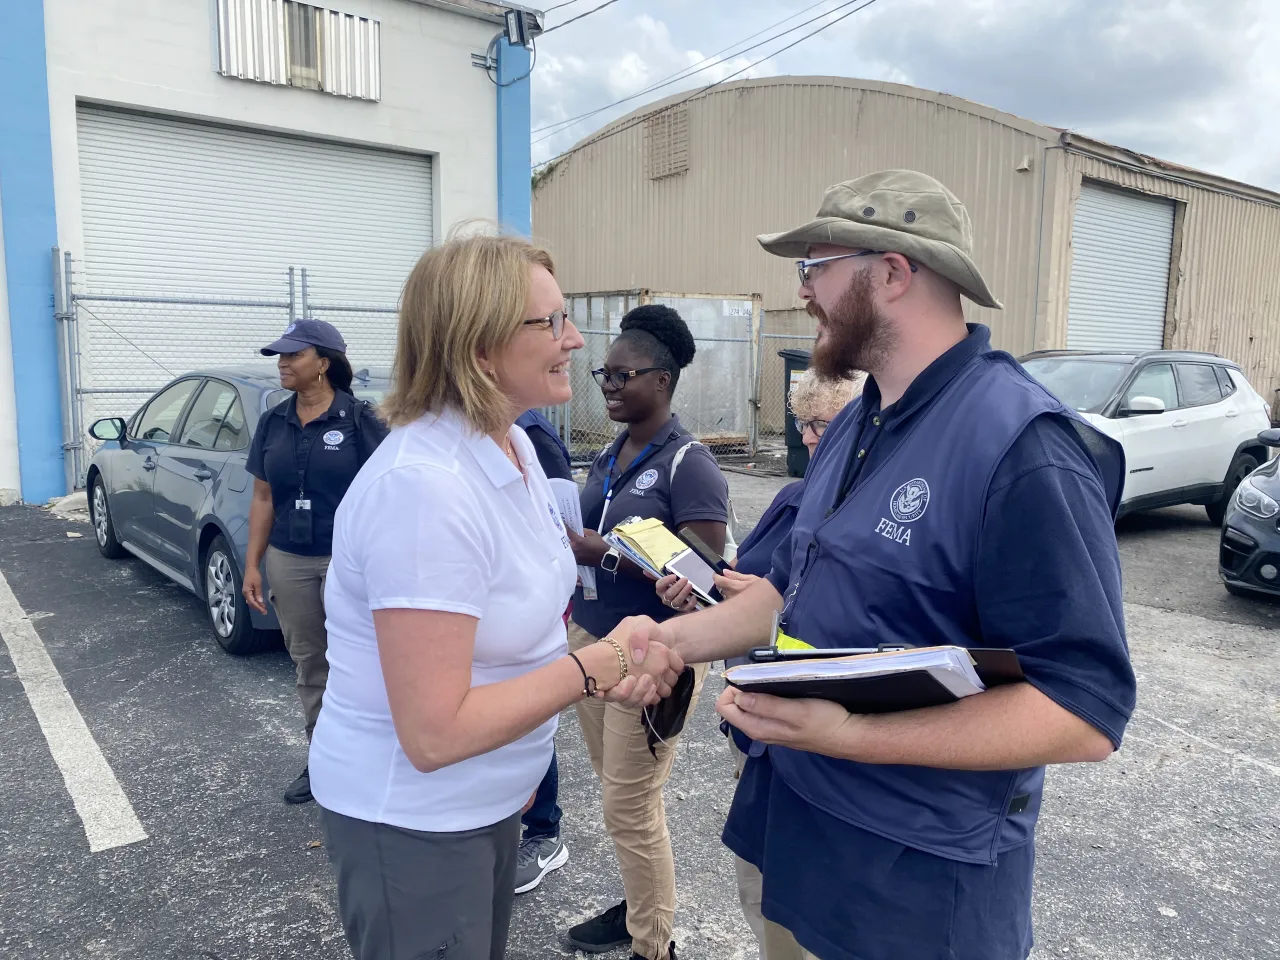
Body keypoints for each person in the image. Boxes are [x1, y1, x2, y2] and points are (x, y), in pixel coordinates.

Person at [617, 169, 1138, 960]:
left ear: (894, 273)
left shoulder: (1023, 447)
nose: (804, 294)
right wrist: (676, 644)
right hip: (801, 832)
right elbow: (789, 592)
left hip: (914, 891)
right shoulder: (862, 420)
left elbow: (1084, 711)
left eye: (815, 269)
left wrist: (849, 734)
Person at [307, 232, 685, 960]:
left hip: (484, 805)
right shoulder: (423, 490)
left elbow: (518, 627)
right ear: (479, 347)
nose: (575, 340)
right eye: (550, 323)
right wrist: (593, 669)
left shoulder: (508, 448)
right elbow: (435, 734)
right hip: (415, 820)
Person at [654, 368, 863, 958]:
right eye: (804, 423)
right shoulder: (798, 495)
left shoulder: (855, 510)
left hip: (810, 730)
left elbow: (818, 616)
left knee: (794, 909)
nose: (813, 437)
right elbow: (757, 587)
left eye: (825, 424)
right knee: (761, 891)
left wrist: (761, 607)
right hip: (757, 717)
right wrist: (707, 597)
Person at [564, 305, 730, 960]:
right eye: (602, 373)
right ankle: (639, 907)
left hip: (653, 658)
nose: (606, 384)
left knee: (631, 807)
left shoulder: (690, 465)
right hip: (592, 643)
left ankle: (653, 946)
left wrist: (604, 554)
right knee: (617, 798)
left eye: (621, 374)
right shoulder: (610, 453)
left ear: (660, 380)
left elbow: (712, 588)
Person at [243, 318, 389, 804]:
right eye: (280, 356)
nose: (282, 364)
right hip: (290, 558)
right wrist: (252, 565)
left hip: (349, 561)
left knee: (366, 660)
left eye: (293, 355)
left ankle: (376, 759)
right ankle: (323, 759)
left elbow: (389, 493)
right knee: (310, 664)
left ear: (323, 364)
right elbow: (263, 498)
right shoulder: (273, 421)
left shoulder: (361, 420)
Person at [513, 408, 572, 894]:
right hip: (513, 626)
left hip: (539, 620)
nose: (569, 340)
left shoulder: (531, 438)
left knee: (533, 718)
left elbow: (559, 532)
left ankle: (544, 831)